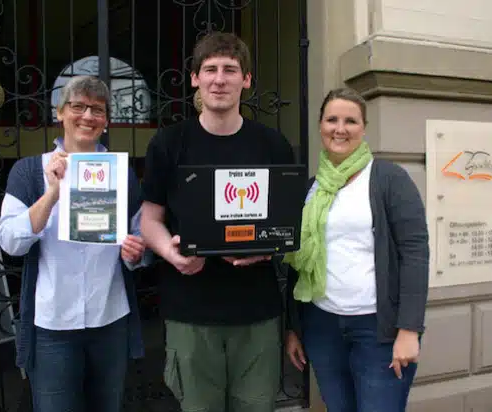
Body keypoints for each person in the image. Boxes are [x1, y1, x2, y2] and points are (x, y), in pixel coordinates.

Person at [140, 32, 294, 412]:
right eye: (209, 69)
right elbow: (149, 219)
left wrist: (266, 250)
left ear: (247, 80)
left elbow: (288, 224)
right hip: (191, 312)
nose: (219, 79)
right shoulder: (169, 143)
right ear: (195, 78)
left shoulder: (272, 145)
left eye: (230, 70)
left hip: (256, 313)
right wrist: (170, 253)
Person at [0, 75, 146, 412]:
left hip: (110, 319)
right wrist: (51, 193)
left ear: (106, 120)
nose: (87, 116)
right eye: (78, 107)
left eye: (97, 109)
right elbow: (10, 242)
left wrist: (136, 253)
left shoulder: (121, 174)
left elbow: (141, 239)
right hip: (53, 324)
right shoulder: (29, 171)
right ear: (60, 113)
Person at [284, 87, 429, 412]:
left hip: (377, 329)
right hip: (322, 325)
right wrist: (295, 328)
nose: (340, 128)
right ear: (320, 125)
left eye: (350, 121)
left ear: (363, 128)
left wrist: (409, 330)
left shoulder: (388, 179)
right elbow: (297, 263)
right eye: (332, 119)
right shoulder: (312, 188)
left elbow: (415, 254)